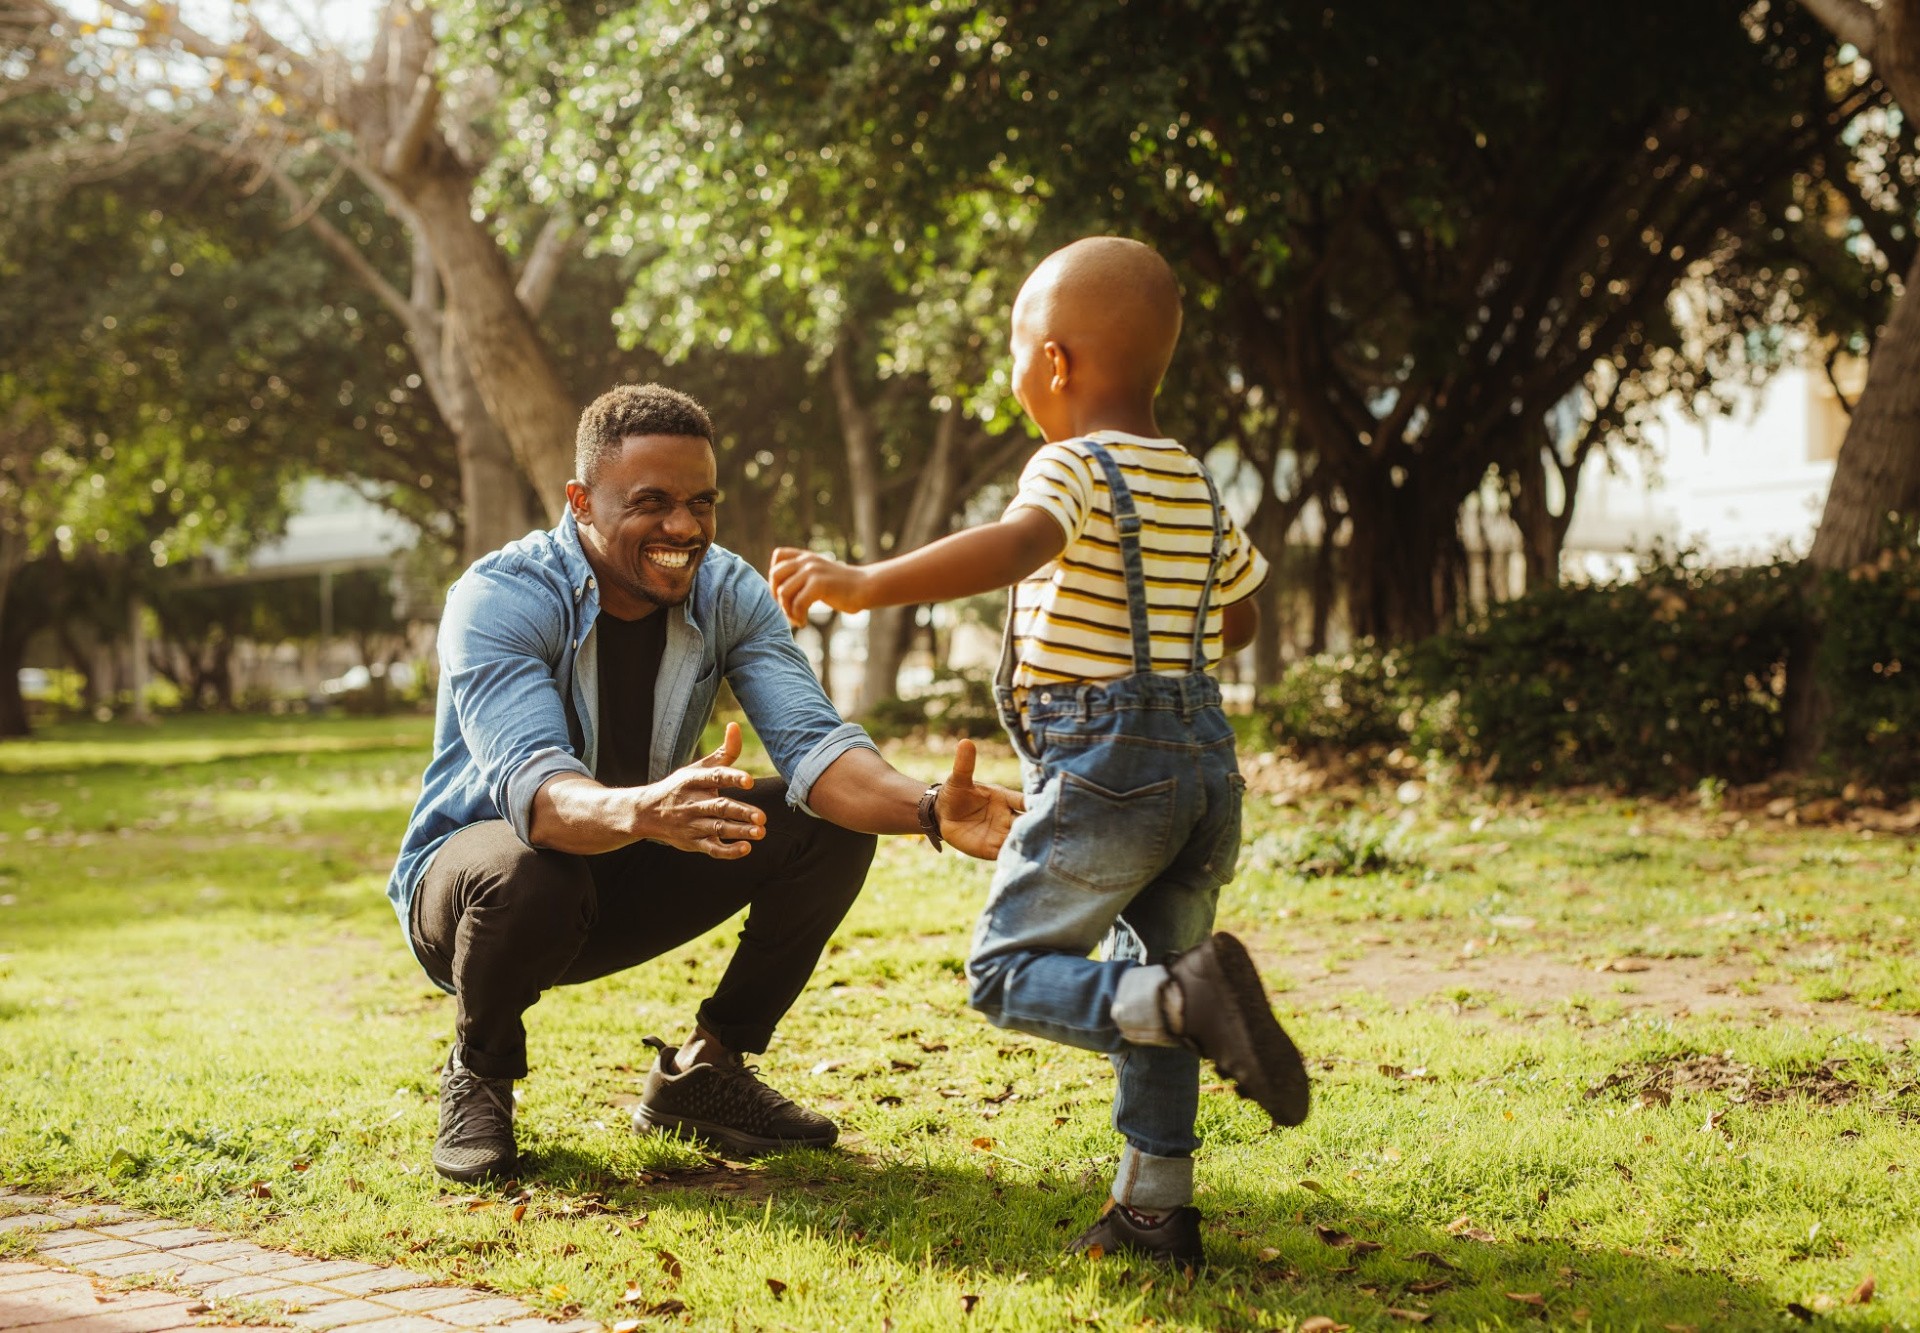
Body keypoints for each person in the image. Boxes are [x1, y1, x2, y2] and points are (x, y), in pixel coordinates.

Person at [768, 236, 1309, 1268]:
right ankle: (1154, 1210)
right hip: (1203, 768)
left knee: (1008, 972)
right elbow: (1235, 622)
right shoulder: (1191, 479)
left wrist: (863, 580)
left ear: (1053, 361)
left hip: (1109, 764)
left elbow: (1018, 544)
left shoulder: (1069, 463)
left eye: (1015, 351)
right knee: (1157, 964)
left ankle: (1186, 1006)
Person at [388, 383, 1022, 1184]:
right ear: (581, 501)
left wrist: (926, 808)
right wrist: (642, 808)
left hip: (626, 864)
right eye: (651, 502)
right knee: (529, 870)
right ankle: (480, 1075)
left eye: (701, 502)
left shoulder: (726, 591)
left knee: (824, 823)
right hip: (482, 894)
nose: (683, 527)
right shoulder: (502, 596)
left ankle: (707, 1072)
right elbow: (538, 795)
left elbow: (815, 747)